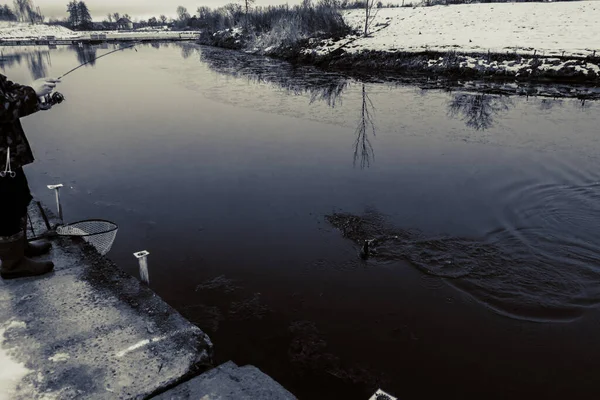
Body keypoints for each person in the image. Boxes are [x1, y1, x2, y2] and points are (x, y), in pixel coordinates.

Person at [0, 74, 61, 279]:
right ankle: (13, 264)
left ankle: (21, 248)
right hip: (1, 158)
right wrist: (32, 91)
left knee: (19, 197)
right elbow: (2, 108)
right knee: (6, 207)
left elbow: (9, 92)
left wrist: (36, 99)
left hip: (7, 154)